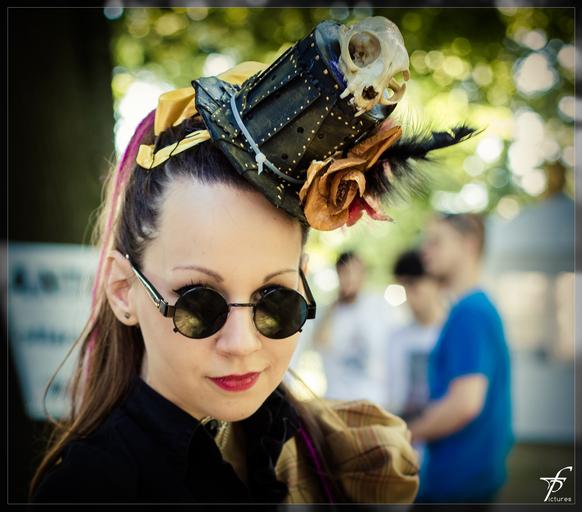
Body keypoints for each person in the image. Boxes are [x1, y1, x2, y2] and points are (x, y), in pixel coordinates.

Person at [29, 16, 474, 504]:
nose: (242, 344)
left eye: (276, 301)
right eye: (199, 304)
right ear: (122, 291)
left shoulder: (339, 453)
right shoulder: (87, 491)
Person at [410, 213, 514, 503]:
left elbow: (464, 404)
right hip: (468, 479)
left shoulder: (470, 312)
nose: (424, 251)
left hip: (457, 485)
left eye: (436, 242)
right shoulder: (474, 308)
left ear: (469, 245)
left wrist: (404, 434)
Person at [311, 251, 402, 406]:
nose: (352, 278)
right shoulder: (328, 312)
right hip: (337, 400)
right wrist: (333, 308)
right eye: (346, 272)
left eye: (357, 272)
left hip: (374, 400)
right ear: (338, 274)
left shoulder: (378, 305)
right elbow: (319, 343)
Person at [386, 249, 444, 421]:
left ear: (434, 282)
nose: (409, 296)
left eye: (413, 285)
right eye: (403, 287)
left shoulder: (452, 333)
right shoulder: (396, 339)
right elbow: (392, 396)